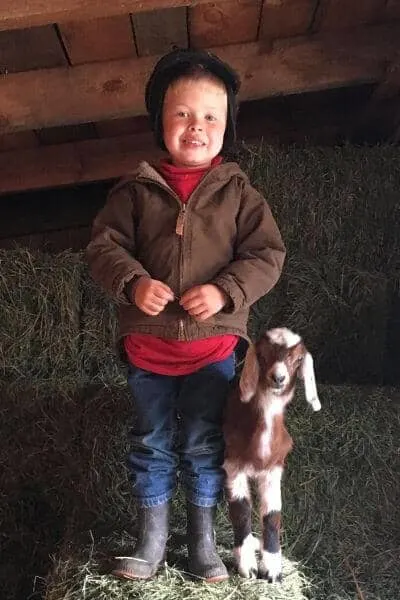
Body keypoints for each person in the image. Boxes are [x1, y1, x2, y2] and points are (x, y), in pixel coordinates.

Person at [86, 48, 286, 583]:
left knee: (204, 442)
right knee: (151, 441)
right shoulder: (134, 191)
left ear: (226, 128)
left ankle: (203, 546)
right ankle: (150, 544)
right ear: (160, 122)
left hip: (213, 352)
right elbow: (104, 247)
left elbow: (267, 257)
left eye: (210, 117)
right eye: (182, 114)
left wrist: (225, 292)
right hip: (149, 350)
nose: (195, 126)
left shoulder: (241, 195)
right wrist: (132, 282)